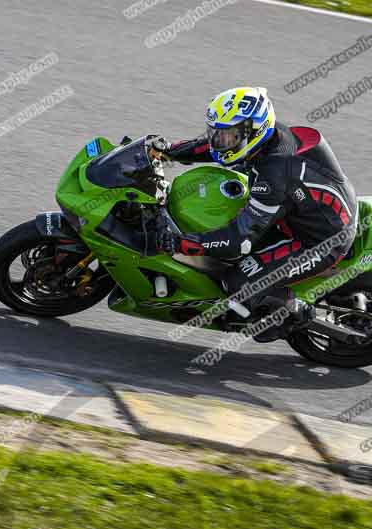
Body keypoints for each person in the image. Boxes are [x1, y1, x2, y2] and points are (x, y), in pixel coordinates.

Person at [153, 87, 358, 342]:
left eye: (227, 135)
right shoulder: (266, 138)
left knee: (238, 281)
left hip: (321, 240)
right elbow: (212, 148)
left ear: (252, 131)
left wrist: (184, 243)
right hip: (302, 211)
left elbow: (239, 241)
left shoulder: (273, 175)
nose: (219, 140)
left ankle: (293, 313)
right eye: (217, 133)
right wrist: (168, 150)